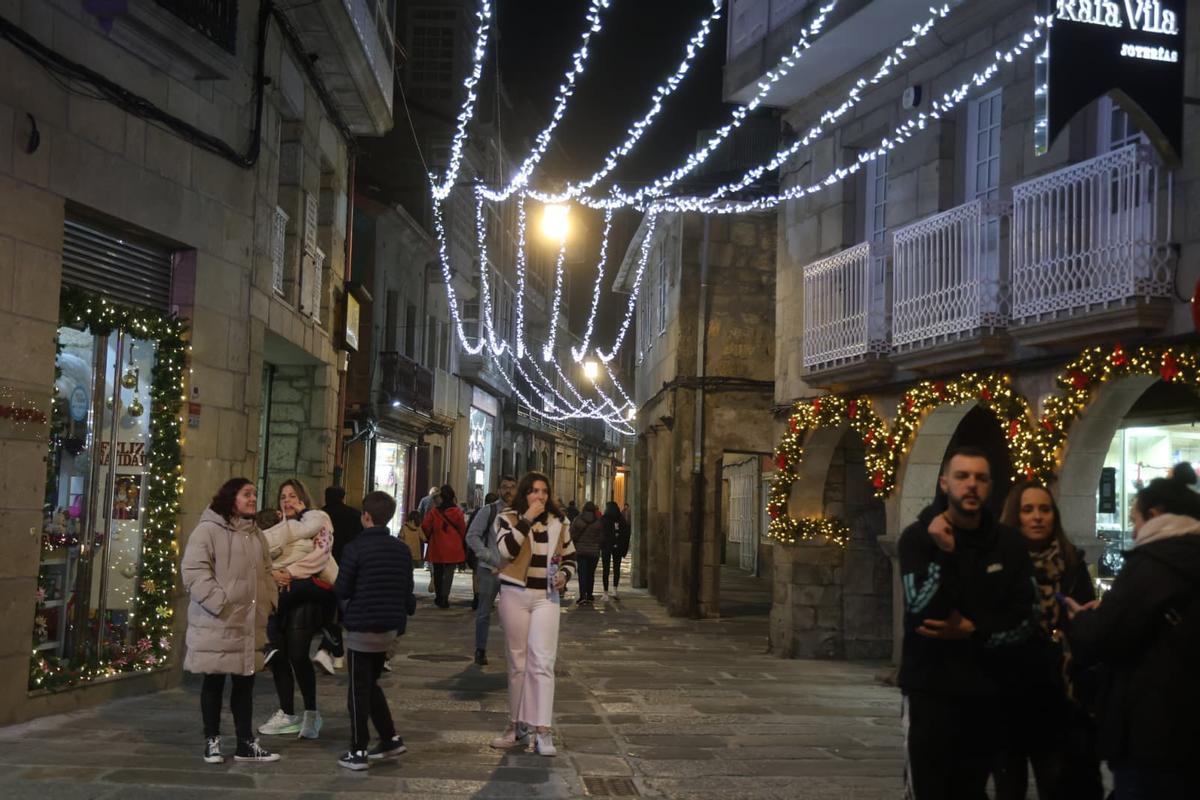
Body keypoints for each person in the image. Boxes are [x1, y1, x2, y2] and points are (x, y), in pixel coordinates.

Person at [898, 447, 1039, 799]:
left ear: (990, 486)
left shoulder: (1008, 544)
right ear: (945, 483)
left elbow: (1024, 617)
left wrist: (974, 631)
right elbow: (920, 609)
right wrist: (944, 554)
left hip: (987, 690)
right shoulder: (918, 538)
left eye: (980, 478)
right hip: (931, 689)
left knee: (971, 788)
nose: (971, 485)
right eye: (962, 476)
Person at [1067, 465, 1200, 799]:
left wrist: (1080, 619)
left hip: (1151, 731)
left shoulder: (1153, 563)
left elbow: (1099, 638)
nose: (1134, 529)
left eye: (1134, 519)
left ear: (1153, 515)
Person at [993, 481, 1101, 800]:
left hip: (1058, 698)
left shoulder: (1071, 564)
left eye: (1044, 509)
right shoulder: (999, 565)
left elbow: (1086, 626)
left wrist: (1085, 620)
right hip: (1009, 696)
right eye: (1028, 510)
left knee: (1057, 784)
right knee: (1009, 787)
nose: (1038, 517)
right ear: (1015, 516)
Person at [181, 477, 279, 764]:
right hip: (218, 620)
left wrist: (269, 600)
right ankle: (212, 740)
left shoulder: (256, 534)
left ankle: (245, 743)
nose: (253, 499)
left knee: (245, 683)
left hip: (247, 622)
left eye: (254, 494)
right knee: (213, 680)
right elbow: (194, 572)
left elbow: (267, 570)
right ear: (231, 497)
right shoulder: (207, 530)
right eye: (246, 494)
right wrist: (220, 603)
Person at [490, 472, 576, 756]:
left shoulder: (560, 522)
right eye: (534, 491)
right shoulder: (507, 518)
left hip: (546, 598)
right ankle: (515, 727)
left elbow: (570, 557)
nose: (540, 496)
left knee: (543, 662)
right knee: (518, 663)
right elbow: (507, 550)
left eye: (544, 491)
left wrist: (564, 575)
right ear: (524, 493)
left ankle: (543, 730)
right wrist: (526, 519)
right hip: (514, 594)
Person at [333, 491, 416, 770]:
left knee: (357, 691)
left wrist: (348, 609)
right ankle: (390, 738)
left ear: (365, 516)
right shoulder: (402, 550)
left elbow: (342, 588)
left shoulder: (355, 548)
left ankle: (358, 750)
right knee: (371, 684)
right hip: (390, 628)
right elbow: (407, 591)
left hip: (362, 628)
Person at [258, 479, 336, 740]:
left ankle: (311, 713)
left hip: (303, 596)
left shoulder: (316, 521)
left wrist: (289, 572)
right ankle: (288, 713)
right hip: (277, 593)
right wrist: (273, 574)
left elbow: (320, 555)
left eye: (292, 496)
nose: (287, 501)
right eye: (283, 497)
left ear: (302, 498)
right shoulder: (274, 526)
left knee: (298, 655)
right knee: (278, 657)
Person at [466, 475, 517, 665]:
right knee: (484, 612)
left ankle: (514, 652)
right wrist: (487, 555)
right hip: (489, 570)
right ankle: (480, 649)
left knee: (513, 614)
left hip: (513, 573)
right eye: (505, 487)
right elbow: (472, 536)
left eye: (512, 487)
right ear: (499, 490)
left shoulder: (522, 513)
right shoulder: (489, 511)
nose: (508, 490)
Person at [314, 486, 365, 674]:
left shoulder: (318, 516)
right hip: (347, 566)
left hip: (323, 567)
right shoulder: (354, 515)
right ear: (343, 497)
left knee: (330, 611)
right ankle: (333, 652)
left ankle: (334, 652)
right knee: (340, 611)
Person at [422, 484, 466, 608]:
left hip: (437, 546)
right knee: (449, 574)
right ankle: (445, 597)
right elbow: (462, 530)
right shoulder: (457, 512)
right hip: (453, 547)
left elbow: (426, 526)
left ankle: (439, 597)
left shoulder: (434, 512)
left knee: (438, 572)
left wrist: (429, 537)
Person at [569, 501, 604, 606]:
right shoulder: (598, 522)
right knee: (590, 574)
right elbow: (601, 537)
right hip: (594, 552)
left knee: (582, 574)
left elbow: (572, 534)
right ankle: (589, 595)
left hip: (581, 551)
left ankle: (582, 596)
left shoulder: (578, 520)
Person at [601, 501, 629, 598]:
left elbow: (600, 533)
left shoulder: (604, 519)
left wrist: (601, 544)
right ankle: (615, 590)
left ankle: (605, 592)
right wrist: (624, 548)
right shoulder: (621, 519)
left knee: (606, 569)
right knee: (616, 568)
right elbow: (626, 534)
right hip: (618, 547)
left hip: (606, 547)